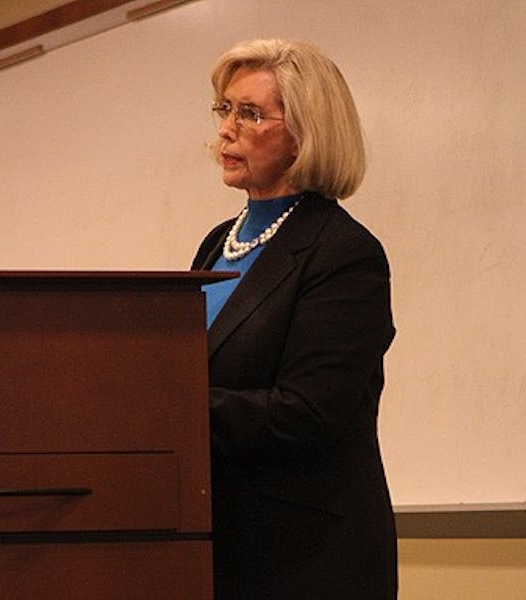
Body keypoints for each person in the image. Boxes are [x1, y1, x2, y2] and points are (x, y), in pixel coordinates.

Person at [191, 39, 397, 598]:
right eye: (225, 108)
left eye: (251, 113)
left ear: (307, 132)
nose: (227, 128)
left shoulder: (343, 253)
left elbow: (308, 413)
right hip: (219, 545)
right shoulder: (217, 243)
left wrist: (170, 404)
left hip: (308, 558)